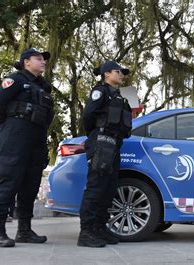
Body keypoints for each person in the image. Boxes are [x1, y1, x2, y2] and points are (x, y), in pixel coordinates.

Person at [0, 48, 54, 248]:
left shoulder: (44, 87)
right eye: (38, 58)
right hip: (16, 133)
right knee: (10, 180)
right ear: (26, 62)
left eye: (44, 59)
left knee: (31, 183)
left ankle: (24, 230)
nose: (43, 62)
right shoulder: (15, 80)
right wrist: (8, 125)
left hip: (37, 135)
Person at [78, 61, 132, 247]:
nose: (121, 75)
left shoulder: (118, 96)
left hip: (115, 144)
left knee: (109, 188)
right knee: (96, 187)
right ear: (106, 73)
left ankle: (99, 228)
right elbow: (88, 116)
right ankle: (86, 232)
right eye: (118, 72)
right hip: (101, 143)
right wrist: (96, 135)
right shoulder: (100, 91)